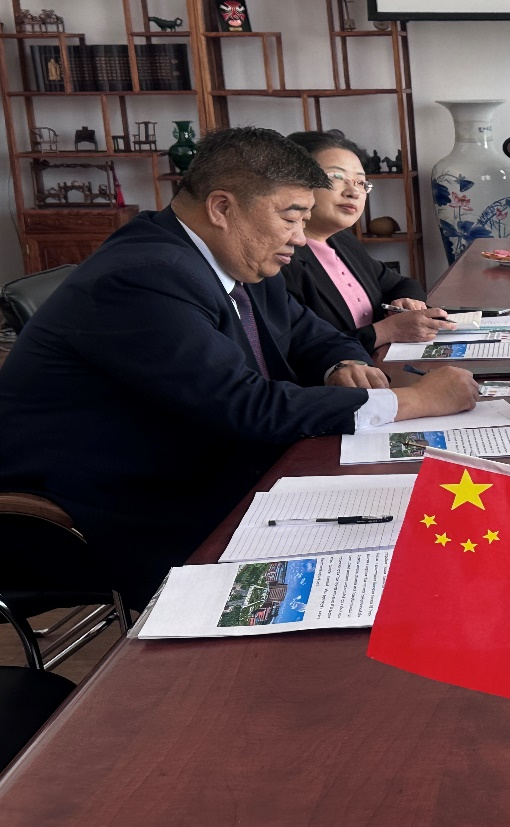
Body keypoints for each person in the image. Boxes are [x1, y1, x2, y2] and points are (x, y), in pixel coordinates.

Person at [0, 126, 478, 610]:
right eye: (291, 217)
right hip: (109, 508)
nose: (299, 238)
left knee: (410, 523)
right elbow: (247, 406)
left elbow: (311, 334)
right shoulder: (144, 276)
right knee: (378, 571)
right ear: (222, 208)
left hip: (212, 466)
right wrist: (413, 400)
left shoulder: (238, 255)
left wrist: (343, 361)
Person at [281, 130, 452, 353]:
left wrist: (406, 301)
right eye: (336, 177)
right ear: (294, 181)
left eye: (361, 182)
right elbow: (297, 350)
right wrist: (385, 331)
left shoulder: (343, 241)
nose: (353, 191)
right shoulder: (280, 257)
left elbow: (401, 284)